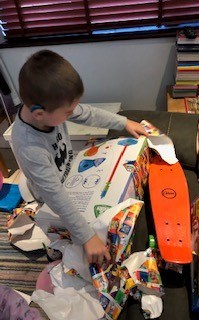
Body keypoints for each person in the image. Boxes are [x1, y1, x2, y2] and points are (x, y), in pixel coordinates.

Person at [11, 50, 148, 266]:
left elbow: (88, 113)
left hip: (71, 174)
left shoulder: (51, 107)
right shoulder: (28, 145)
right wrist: (86, 236)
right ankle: (55, 251)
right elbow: (54, 195)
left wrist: (124, 123)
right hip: (50, 196)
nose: (72, 114)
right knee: (71, 238)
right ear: (39, 114)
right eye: (68, 113)